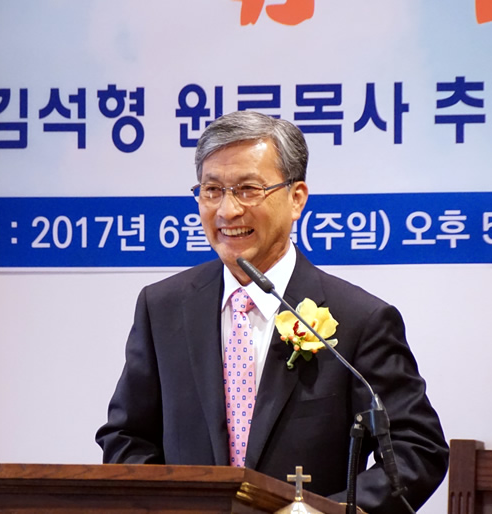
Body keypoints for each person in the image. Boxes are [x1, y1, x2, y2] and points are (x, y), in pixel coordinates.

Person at [96, 111, 448, 514]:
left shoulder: (359, 319)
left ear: (296, 198)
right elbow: (127, 437)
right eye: (212, 190)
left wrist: (324, 513)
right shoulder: (162, 308)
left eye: (248, 189)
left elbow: (417, 449)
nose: (227, 210)